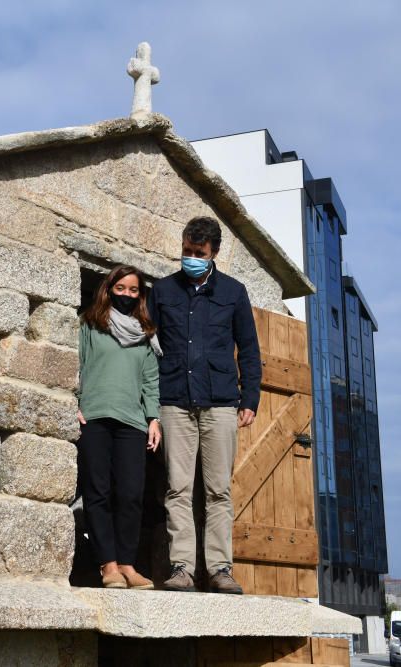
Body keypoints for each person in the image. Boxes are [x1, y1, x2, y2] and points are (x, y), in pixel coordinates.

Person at [147, 216, 261, 595]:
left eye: (199, 253)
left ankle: (219, 569)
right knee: (177, 488)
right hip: (175, 402)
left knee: (217, 491)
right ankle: (182, 567)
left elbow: (249, 349)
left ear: (214, 254)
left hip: (221, 403)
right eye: (186, 251)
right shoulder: (162, 291)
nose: (191, 258)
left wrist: (251, 398)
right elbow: (147, 346)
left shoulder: (234, 292)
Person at [76, 265, 163, 590]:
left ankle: (127, 564)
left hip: (132, 423)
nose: (126, 295)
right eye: (121, 288)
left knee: (130, 495)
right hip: (95, 417)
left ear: (140, 296)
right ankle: (108, 565)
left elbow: (150, 380)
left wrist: (153, 418)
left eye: (133, 290)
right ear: (108, 288)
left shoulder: (145, 336)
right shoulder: (89, 325)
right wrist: (73, 403)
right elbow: (75, 363)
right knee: (97, 493)